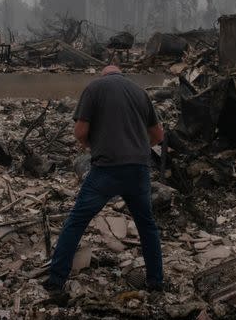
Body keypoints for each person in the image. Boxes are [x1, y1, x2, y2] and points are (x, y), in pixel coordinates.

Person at [45, 65, 164, 293]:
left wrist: (93, 146)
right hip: (138, 169)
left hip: (107, 169)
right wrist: (137, 149)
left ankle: (56, 281)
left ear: (103, 75)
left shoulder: (94, 88)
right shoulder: (140, 92)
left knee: (76, 222)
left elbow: (80, 132)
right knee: (147, 226)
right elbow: (158, 135)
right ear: (120, 74)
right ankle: (156, 282)